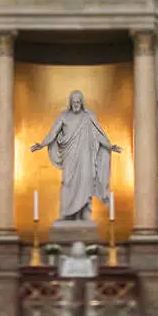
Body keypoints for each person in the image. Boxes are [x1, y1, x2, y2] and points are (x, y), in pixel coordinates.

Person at [29, 90, 121, 222]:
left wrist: (110, 146)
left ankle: (84, 215)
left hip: (85, 157)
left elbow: (98, 135)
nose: (76, 104)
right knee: (67, 182)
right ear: (70, 103)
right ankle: (65, 214)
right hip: (70, 156)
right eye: (74, 102)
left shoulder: (88, 117)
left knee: (86, 183)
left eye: (78, 102)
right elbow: (53, 132)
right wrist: (42, 144)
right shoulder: (64, 116)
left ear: (82, 103)